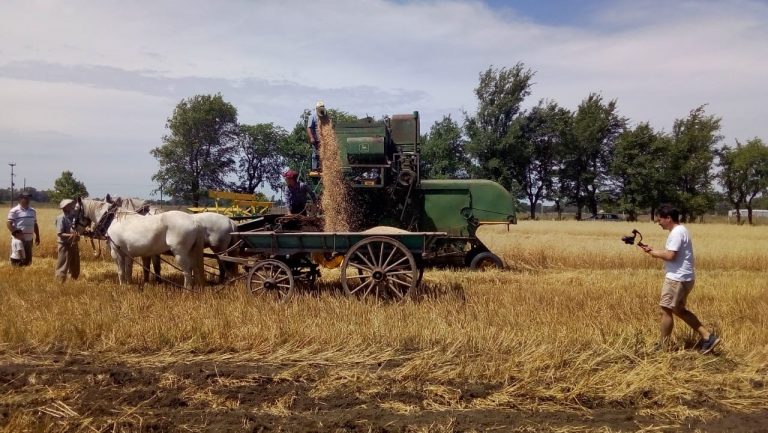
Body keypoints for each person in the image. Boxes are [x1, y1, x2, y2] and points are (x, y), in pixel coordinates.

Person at [639, 204, 720, 354]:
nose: (658, 223)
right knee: (679, 310)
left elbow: (670, 256)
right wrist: (652, 250)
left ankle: (662, 347)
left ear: (668, 218)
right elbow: (672, 253)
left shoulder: (676, 233)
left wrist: (653, 253)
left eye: (660, 220)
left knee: (666, 311)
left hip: (676, 279)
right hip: (685, 278)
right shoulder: (682, 230)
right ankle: (708, 337)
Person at [6, 192, 39, 266]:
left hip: (29, 239)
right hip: (18, 240)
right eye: (25, 198)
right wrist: (16, 234)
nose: (28, 200)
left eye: (29, 198)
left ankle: (25, 274)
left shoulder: (33, 211)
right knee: (17, 259)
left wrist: (37, 236)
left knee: (28, 260)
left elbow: (35, 224)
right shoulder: (14, 211)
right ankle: (16, 274)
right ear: (20, 199)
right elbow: (9, 224)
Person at [54, 199, 81, 283]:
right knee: (63, 265)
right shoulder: (61, 218)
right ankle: (60, 282)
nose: (72, 206)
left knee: (75, 265)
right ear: (65, 207)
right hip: (64, 245)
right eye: (69, 205)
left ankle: (72, 282)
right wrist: (72, 235)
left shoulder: (72, 216)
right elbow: (60, 234)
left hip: (73, 243)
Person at [306, 101, 326, 172]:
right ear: (317, 108)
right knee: (316, 154)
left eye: (322, 107)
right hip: (316, 139)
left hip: (325, 140)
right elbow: (309, 128)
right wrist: (311, 137)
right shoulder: (312, 117)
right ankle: (314, 169)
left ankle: (324, 168)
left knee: (325, 154)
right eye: (320, 108)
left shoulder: (326, 117)